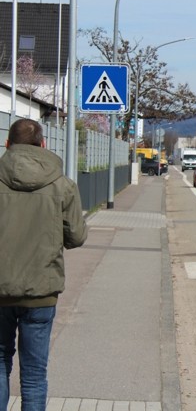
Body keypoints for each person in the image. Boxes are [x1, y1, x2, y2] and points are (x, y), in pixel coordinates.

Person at [0, 118, 88, 411]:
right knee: (35, 374)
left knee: (0, 364)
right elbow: (75, 237)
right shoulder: (62, 185)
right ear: (43, 144)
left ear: (8, 144)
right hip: (41, 292)